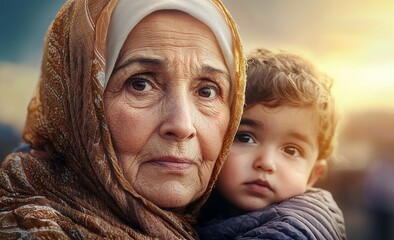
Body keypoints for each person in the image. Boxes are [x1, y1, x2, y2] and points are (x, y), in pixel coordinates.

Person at [0, 0, 246, 239]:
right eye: (140, 84)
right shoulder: (32, 228)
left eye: (207, 91)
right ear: (75, 102)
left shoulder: (239, 219)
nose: (182, 126)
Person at [197, 49, 346, 239]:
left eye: (291, 150)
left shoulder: (289, 231)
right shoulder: (206, 212)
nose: (266, 163)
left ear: (312, 176)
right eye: (246, 138)